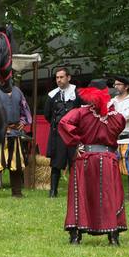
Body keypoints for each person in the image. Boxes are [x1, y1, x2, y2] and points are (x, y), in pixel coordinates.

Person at [57, 80, 128, 244]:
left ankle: (76, 235)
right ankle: (113, 237)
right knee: (110, 196)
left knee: (82, 194)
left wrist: (77, 142)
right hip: (107, 160)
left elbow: (63, 122)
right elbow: (118, 129)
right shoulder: (118, 118)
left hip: (87, 160)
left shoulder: (80, 114)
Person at [0, 73, 32, 198]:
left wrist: (23, 122)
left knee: (16, 164)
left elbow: (25, 109)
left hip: (15, 133)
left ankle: (17, 192)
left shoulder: (17, 92)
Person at [44, 67, 80, 197]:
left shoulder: (77, 93)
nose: (59, 80)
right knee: (56, 162)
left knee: (74, 162)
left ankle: (75, 191)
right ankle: (53, 191)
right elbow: (47, 115)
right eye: (57, 78)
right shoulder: (52, 95)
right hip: (58, 134)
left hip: (74, 134)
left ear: (68, 77)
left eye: (61, 77)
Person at [109, 75, 129, 200]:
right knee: (112, 167)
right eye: (115, 84)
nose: (115, 86)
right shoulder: (111, 101)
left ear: (126, 86)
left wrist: (116, 116)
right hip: (113, 139)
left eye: (119, 84)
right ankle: (114, 194)